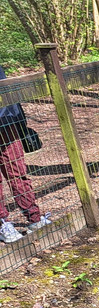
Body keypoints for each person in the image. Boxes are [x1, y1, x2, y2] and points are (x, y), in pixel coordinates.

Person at [0, 65, 49, 244]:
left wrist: (20, 121)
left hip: (7, 120)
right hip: (7, 117)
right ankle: (3, 223)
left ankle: (34, 218)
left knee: (18, 173)